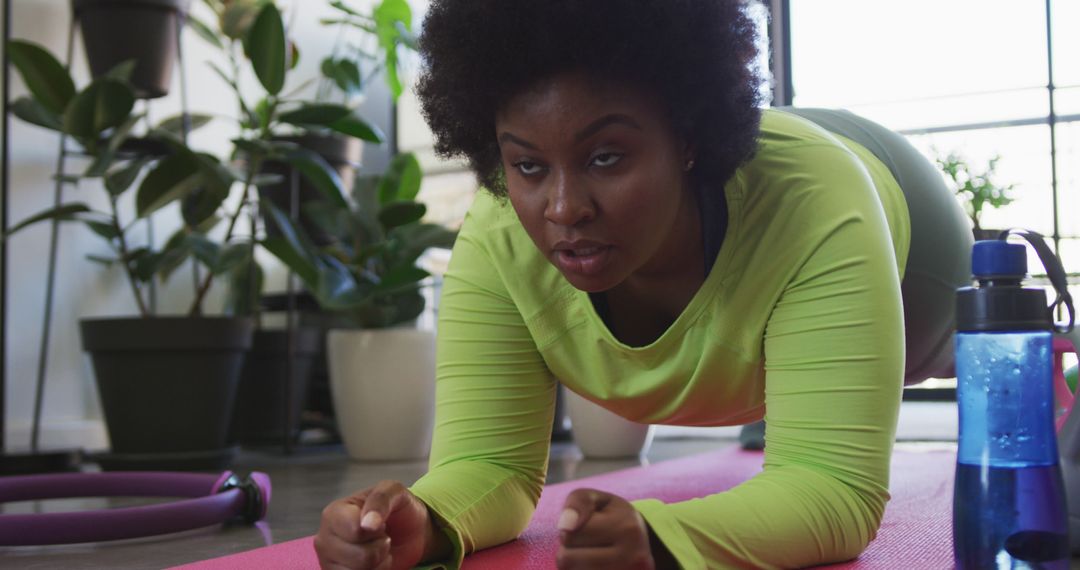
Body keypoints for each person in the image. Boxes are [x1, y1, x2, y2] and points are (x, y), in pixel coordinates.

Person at [314, 1, 972, 568]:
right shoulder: (500, 235)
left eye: (605, 157)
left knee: (978, 360)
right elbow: (492, 467)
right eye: (528, 164)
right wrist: (423, 521)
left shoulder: (813, 206)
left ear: (686, 138)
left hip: (917, 251)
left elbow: (832, 486)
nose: (564, 208)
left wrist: (666, 541)